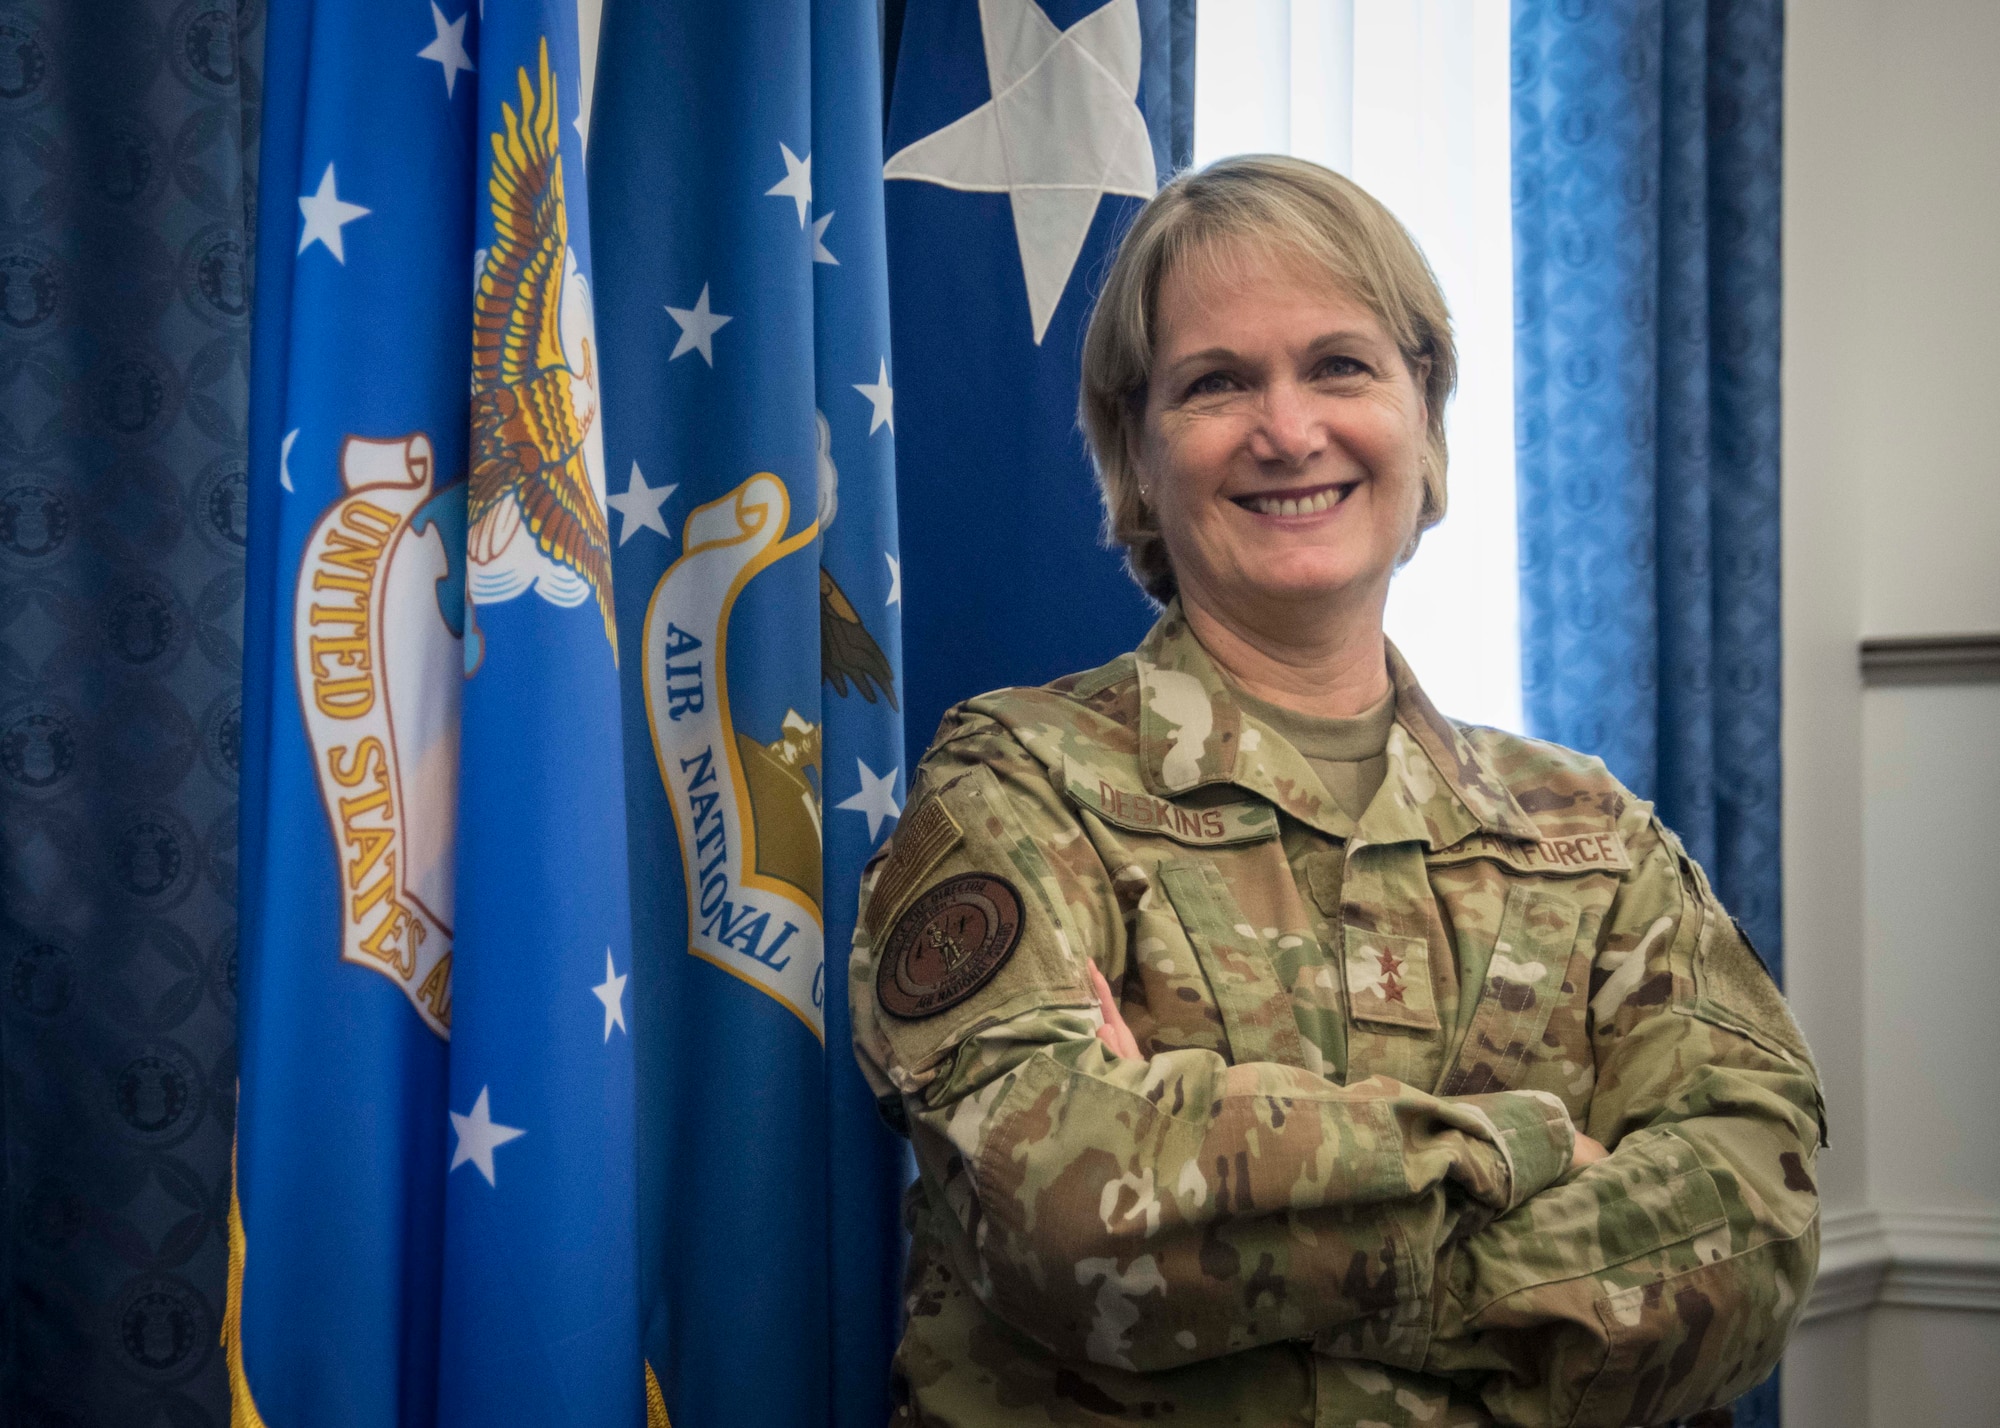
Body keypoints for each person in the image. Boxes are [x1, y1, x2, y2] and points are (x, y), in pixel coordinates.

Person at [849, 154, 1823, 1427]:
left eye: (1339, 366)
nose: (1287, 430)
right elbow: (1065, 1218)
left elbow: (1753, 1220)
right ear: (1136, 455)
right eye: (1215, 384)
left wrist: (1255, 1230)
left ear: (1422, 413)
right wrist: (1529, 1153)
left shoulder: (1585, 832)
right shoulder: (1016, 788)